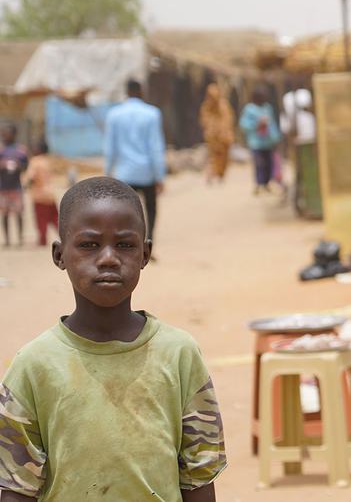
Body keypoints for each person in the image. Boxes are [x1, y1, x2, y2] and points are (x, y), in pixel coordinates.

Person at [0, 177, 225, 502]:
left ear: (145, 254)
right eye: (89, 245)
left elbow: (200, 477)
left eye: (125, 245)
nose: (108, 258)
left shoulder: (179, 354)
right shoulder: (33, 366)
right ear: (60, 255)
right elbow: (16, 489)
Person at [104, 79, 165, 243]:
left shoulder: (114, 115)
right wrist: (160, 176)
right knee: (150, 210)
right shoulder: (152, 113)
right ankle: (148, 242)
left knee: (124, 211)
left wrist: (108, 172)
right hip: (147, 173)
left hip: (124, 174)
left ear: (127, 92)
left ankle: (126, 242)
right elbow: (155, 147)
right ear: (141, 92)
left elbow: (110, 148)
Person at [239, 88, 283, 195]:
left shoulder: (267, 108)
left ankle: (267, 184)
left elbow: (272, 124)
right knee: (259, 164)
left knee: (269, 164)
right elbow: (243, 125)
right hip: (256, 143)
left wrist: (276, 138)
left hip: (268, 142)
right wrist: (257, 124)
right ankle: (259, 184)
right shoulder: (249, 109)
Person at [199, 82, 235, 184]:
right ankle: (211, 174)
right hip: (212, 137)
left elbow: (228, 120)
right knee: (212, 156)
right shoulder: (206, 107)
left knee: (223, 157)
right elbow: (204, 120)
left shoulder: (224, 105)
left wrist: (224, 132)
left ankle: (221, 174)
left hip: (223, 136)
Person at [24, 140, 58, 247]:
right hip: (51, 194)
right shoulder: (47, 161)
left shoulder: (35, 161)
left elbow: (31, 177)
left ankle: (42, 240)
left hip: (39, 195)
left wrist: (25, 185)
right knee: (55, 218)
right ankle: (66, 237)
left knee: (41, 219)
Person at [0, 124, 29, 247]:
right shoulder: (1, 150)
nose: (4, 136)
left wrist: (19, 166)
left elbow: (26, 166)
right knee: (5, 214)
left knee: (18, 214)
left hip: (16, 187)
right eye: (3, 134)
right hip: (3, 187)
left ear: (14, 134)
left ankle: (20, 239)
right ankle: (7, 240)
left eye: (7, 133)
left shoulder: (21, 150)